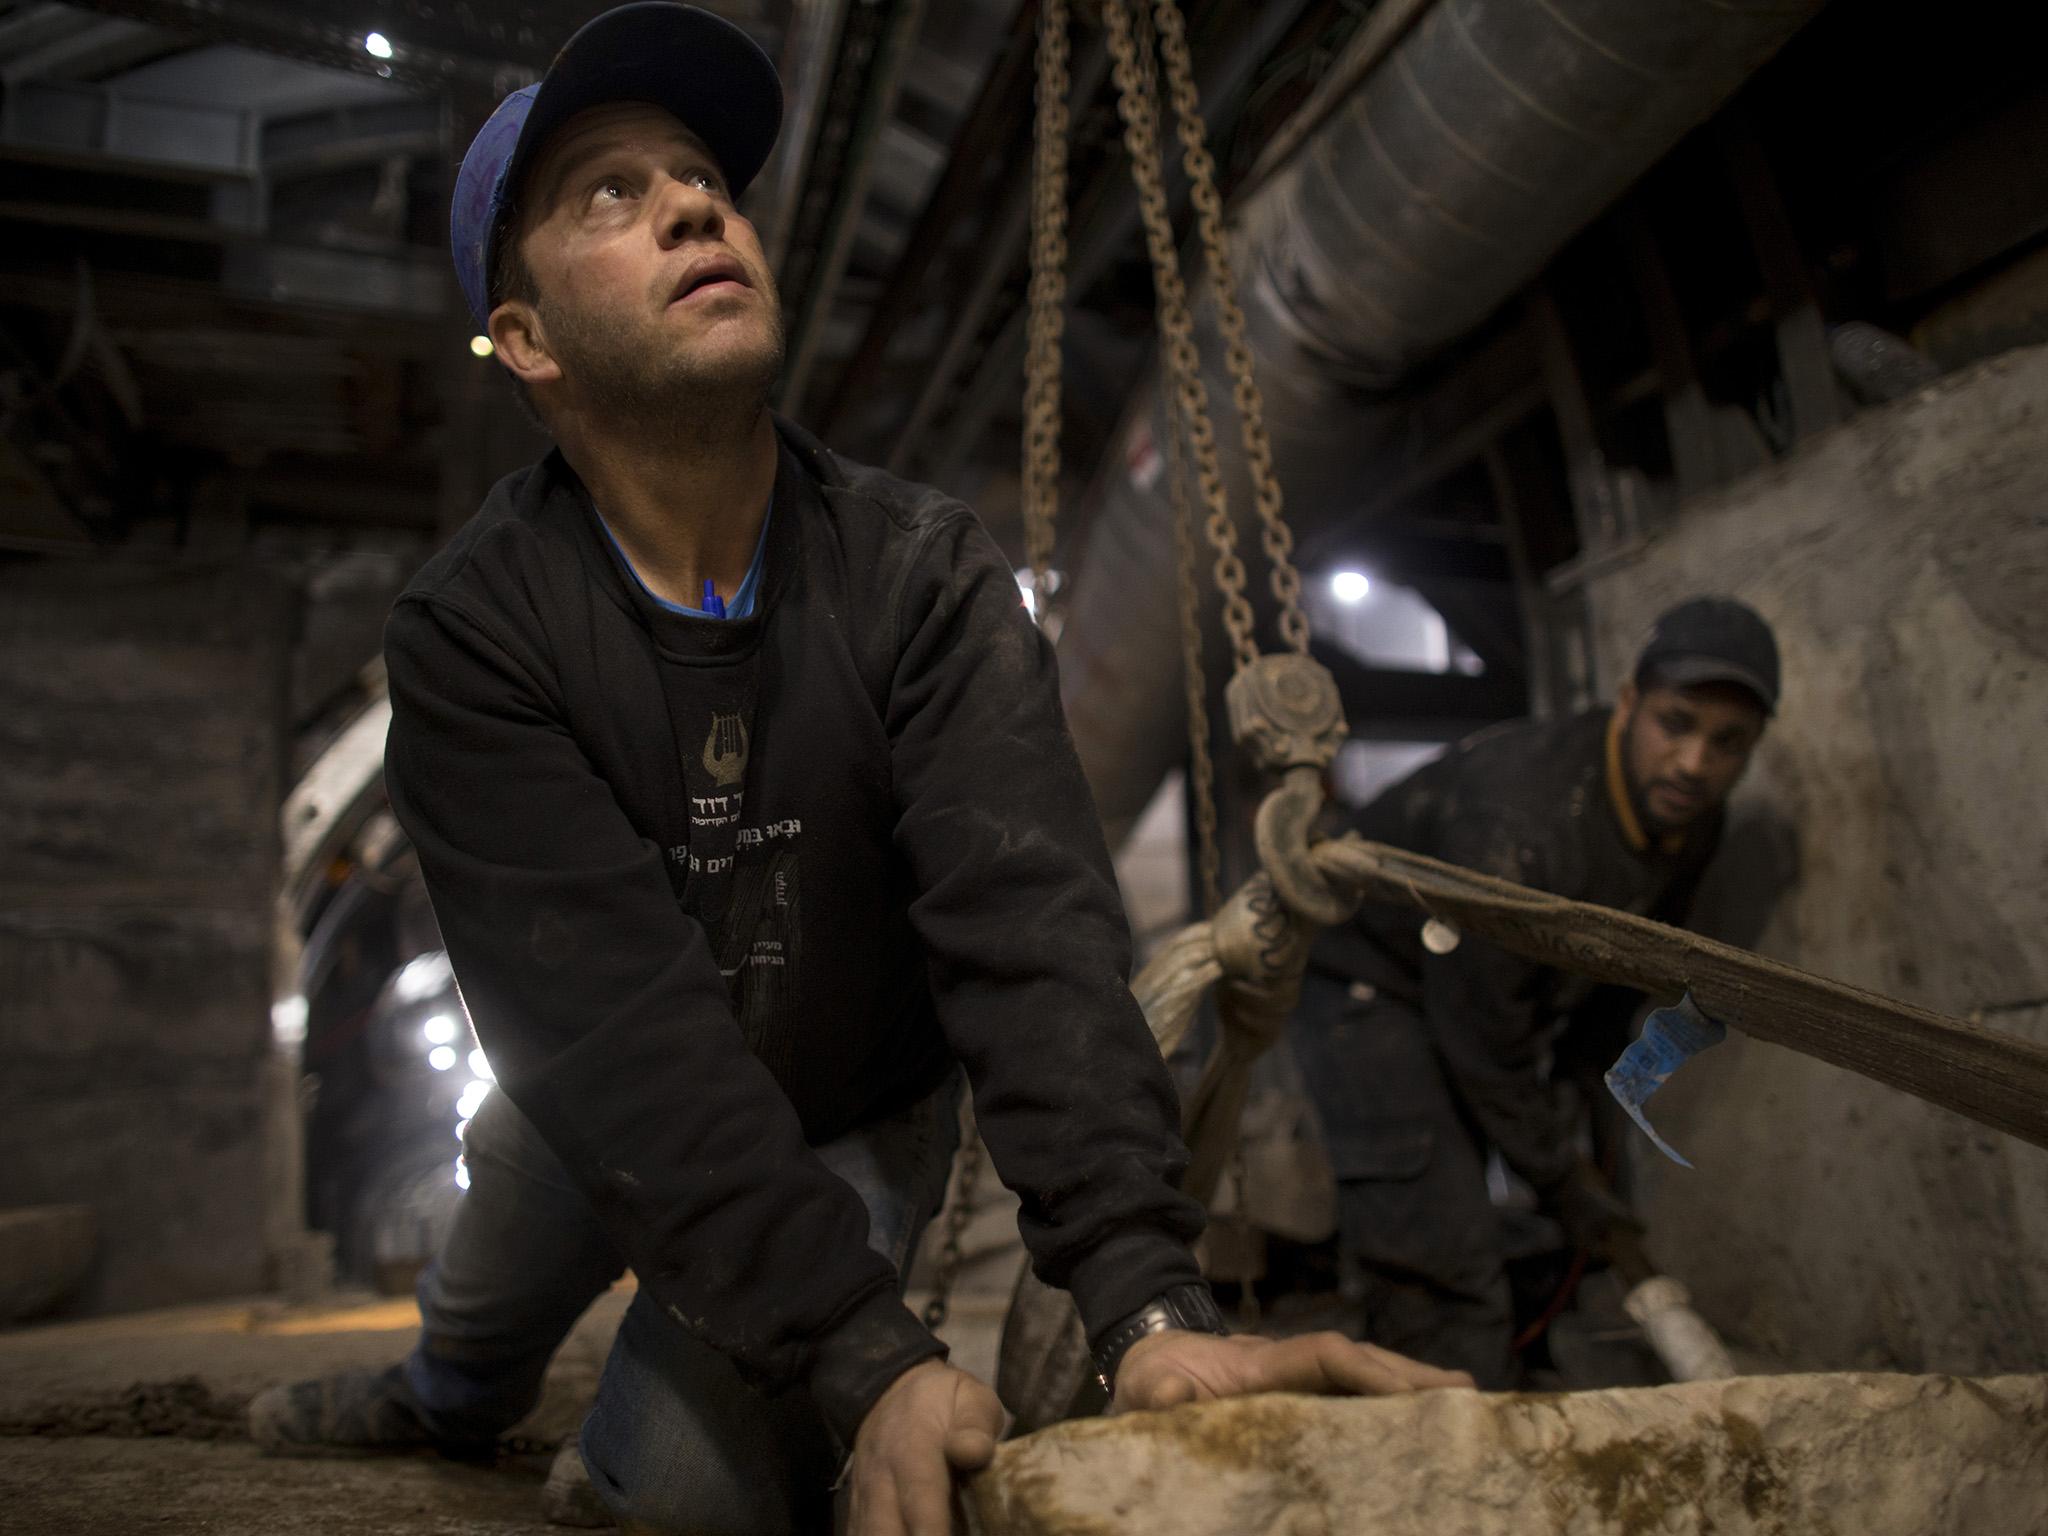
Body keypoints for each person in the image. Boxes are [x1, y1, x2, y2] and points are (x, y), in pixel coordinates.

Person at [247, 7, 1467, 1533]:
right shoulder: (476, 633)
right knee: (473, 1335)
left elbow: (1028, 935)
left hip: (848, 1102)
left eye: (700, 173)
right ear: (531, 340)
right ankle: (436, 1397)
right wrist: (856, 1347)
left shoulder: (920, 572)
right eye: (607, 195)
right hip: (596, 1099)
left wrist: (1143, 1308)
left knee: (692, 1498)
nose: (696, 201)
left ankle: (597, 1429)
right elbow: (616, 1031)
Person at [1290, 597, 1779, 1389]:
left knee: (1521, 1222)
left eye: (1727, 744)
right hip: (1369, 981)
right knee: (1441, 1252)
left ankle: (1505, 1360)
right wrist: (1561, 1178)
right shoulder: (1519, 829)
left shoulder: (1691, 823)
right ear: (1628, 704)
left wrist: (1595, 1142)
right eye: (1675, 723)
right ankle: (1447, 1434)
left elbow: (1623, 983)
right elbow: (1482, 1039)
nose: (1693, 763)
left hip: (1475, 992)